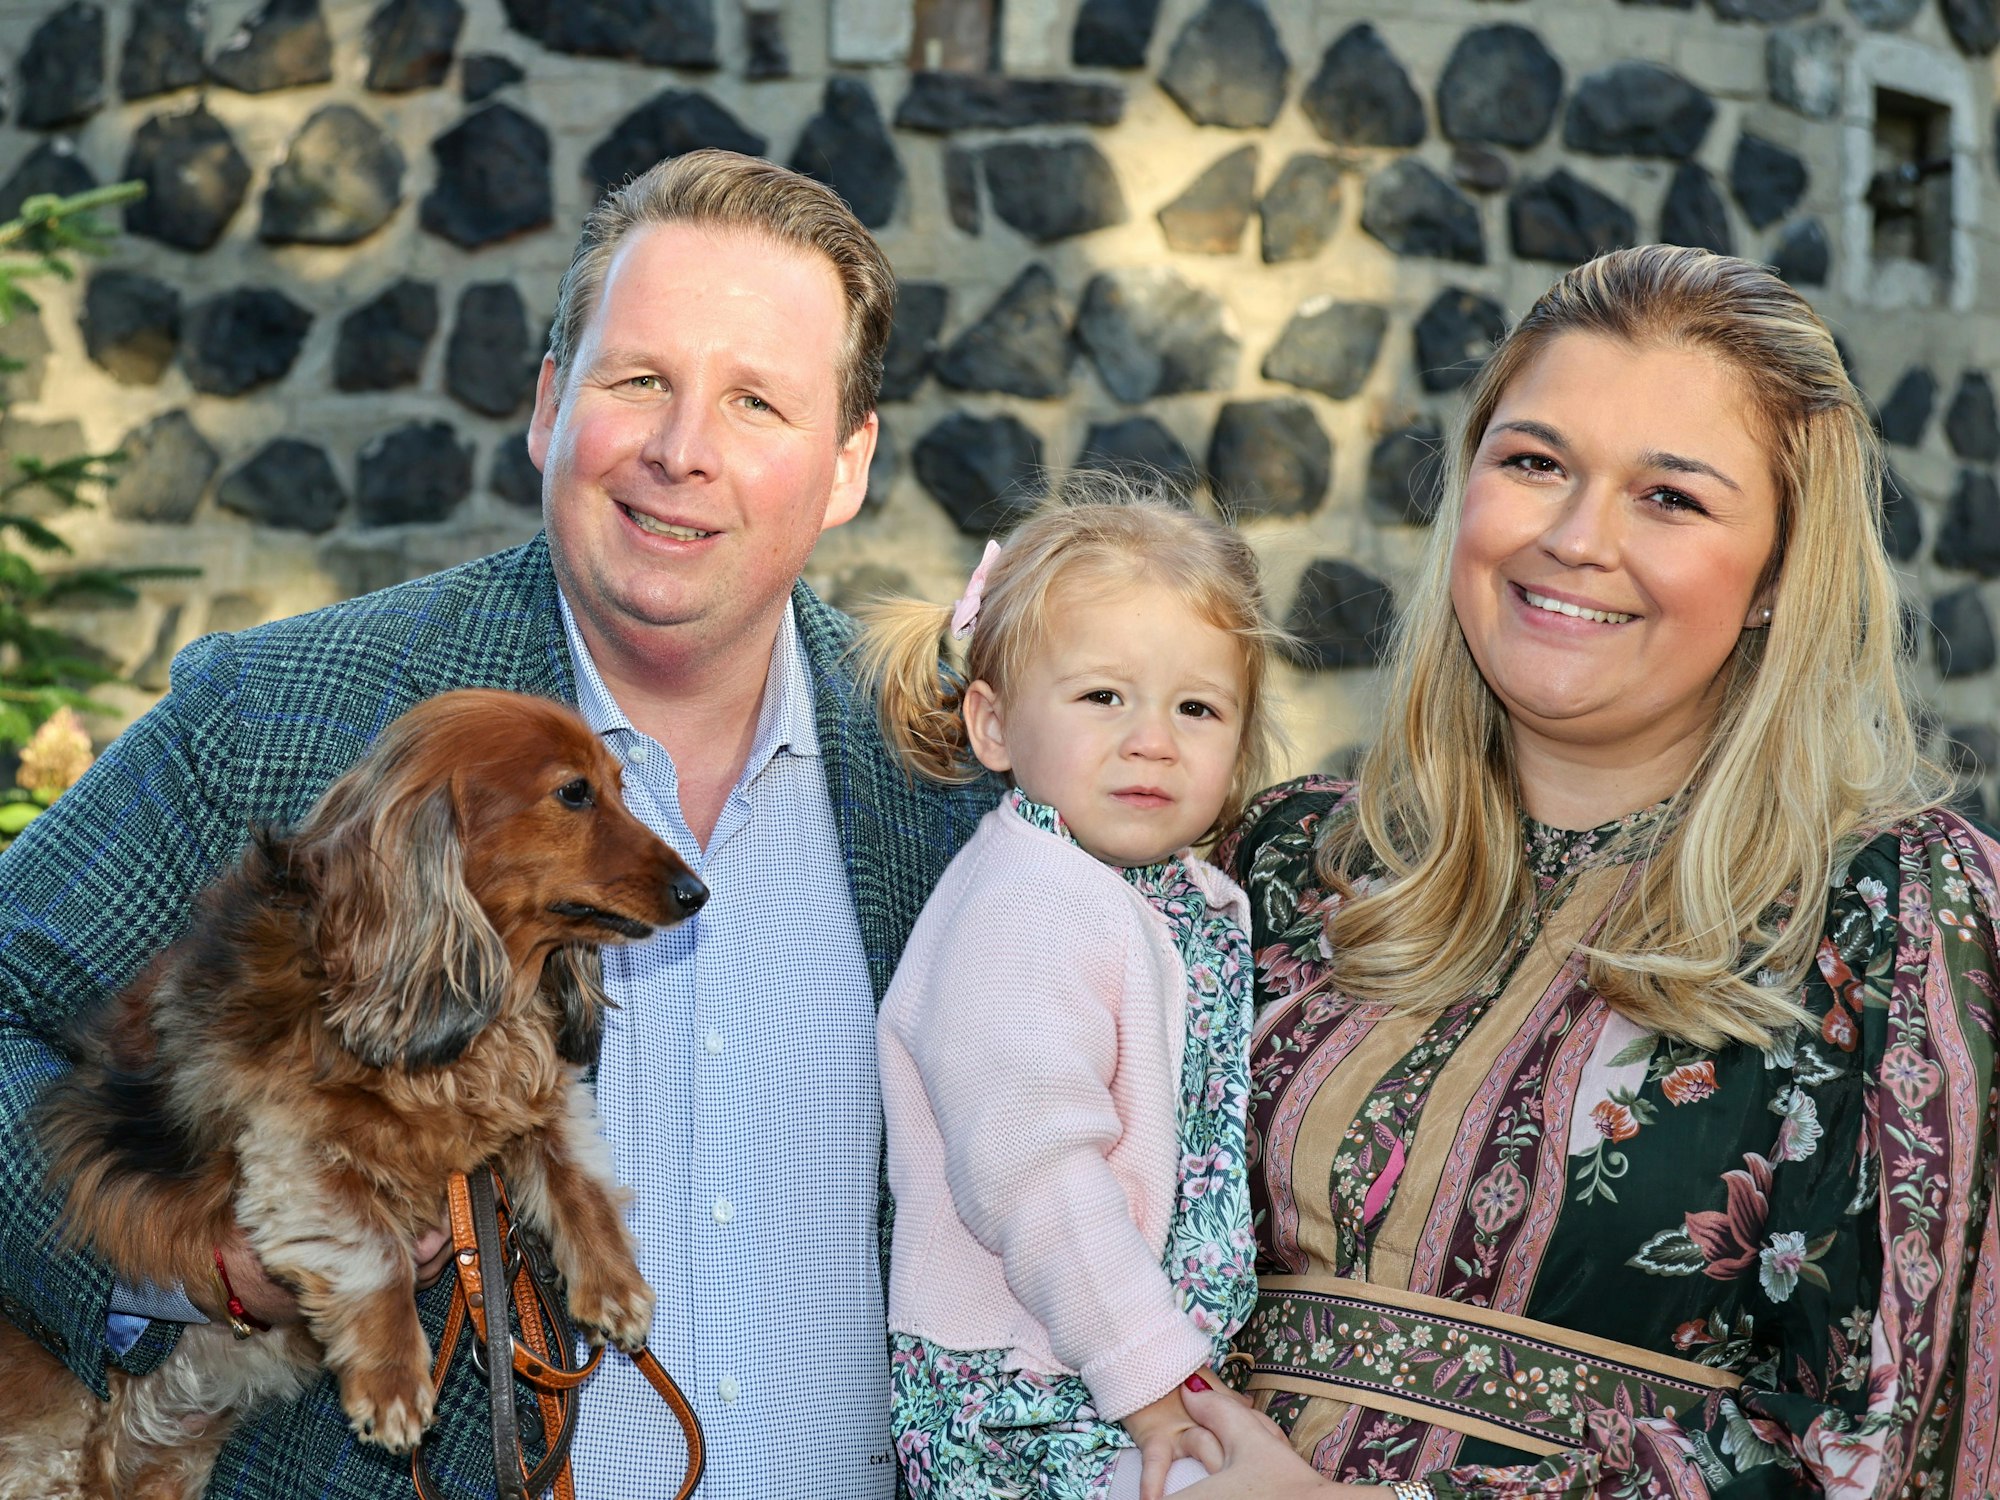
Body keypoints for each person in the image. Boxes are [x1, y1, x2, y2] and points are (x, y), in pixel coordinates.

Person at [0, 150, 994, 1498]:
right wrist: (195, 1255)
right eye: (638, 379)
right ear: (548, 406)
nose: (680, 449)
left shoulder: (946, 788)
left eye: (757, 402)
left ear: (846, 466)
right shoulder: (281, 720)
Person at [1168, 245, 2000, 1498]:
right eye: (1533, 463)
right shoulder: (1287, 857)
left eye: (1668, 497)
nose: (1572, 538)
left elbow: (1878, 1442)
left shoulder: (1890, 908)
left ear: (1775, 571)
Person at [853, 492, 1284, 1500]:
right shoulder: (1027, 904)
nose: (1152, 740)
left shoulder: (1163, 893)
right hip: (1025, 1388)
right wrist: (1147, 1380)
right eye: (1103, 698)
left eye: (1196, 708)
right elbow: (1032, 1171)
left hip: (1105, 1366)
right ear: (994, 725)